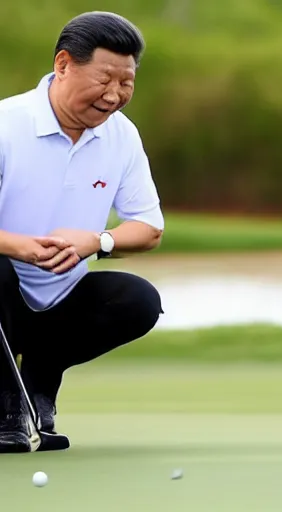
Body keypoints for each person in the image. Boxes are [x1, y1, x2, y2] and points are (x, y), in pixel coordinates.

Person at [0, 11, 165, 453]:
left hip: (61, 297)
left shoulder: (122, 137)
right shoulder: (6, 124)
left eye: (126, 82)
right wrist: (20, 248)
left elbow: (148, 228)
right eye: (104, 79)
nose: (114, 95)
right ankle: (5, 401)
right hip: (4, 294)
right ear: (63, 64)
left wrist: (99, 241)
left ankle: (35, 386)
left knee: (138, 300)